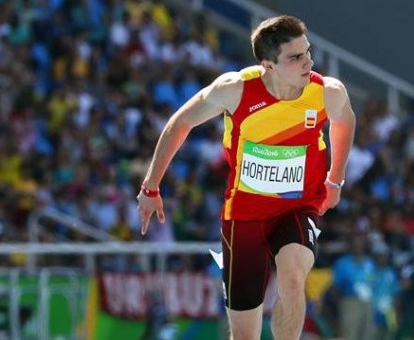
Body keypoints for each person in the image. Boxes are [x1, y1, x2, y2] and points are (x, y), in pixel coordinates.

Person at [137, 15, 356, 340]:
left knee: (294, 276)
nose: (307, 62)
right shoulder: (235, 90)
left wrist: (334, 179)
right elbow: (180, 123)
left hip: (298, 206)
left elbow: (345, 121)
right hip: (245, 214)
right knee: (244, 335)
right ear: (268, 64)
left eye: (308, 52)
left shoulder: (326, 93)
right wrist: (150, 186)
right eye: (295, 57)